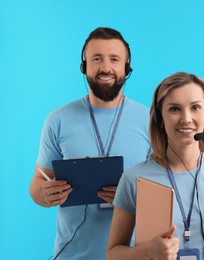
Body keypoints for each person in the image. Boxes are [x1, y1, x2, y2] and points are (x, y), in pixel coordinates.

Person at [29, 27, 150, 259]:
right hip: (72, 254)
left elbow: (168, 193)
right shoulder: (58, 120)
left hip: (134, 254)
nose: (106, 68)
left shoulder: (150, 121)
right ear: (84, 67)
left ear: (127, 67)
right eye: (97, 59)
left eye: (114, 59)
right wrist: (44, 194)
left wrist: (131, 199)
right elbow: (36, 184)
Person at [107, 72, 204, 260]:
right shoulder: (135, 179)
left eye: (195, 107)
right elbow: (112, 255)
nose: (186, 118)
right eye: (175, 109)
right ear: (160, 118)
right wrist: (148, 251)